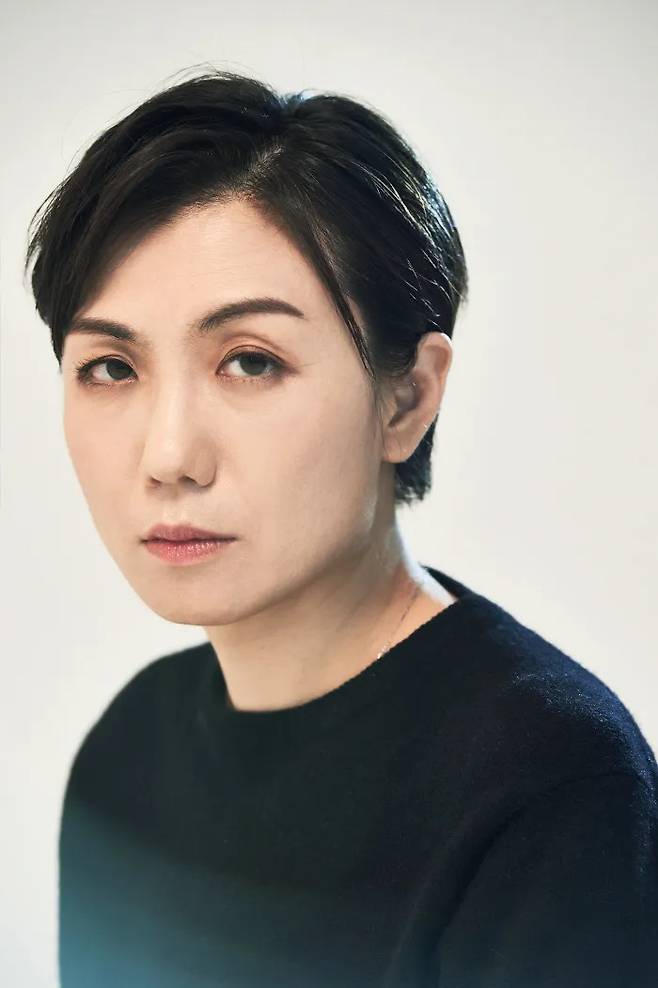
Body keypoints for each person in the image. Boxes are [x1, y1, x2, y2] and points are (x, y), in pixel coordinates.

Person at [24, 68, 657, 987]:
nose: (168, 456)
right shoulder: (127, 758)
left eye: (250, 361)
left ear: (407, 399)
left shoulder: (552, 785)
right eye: (112, 368)